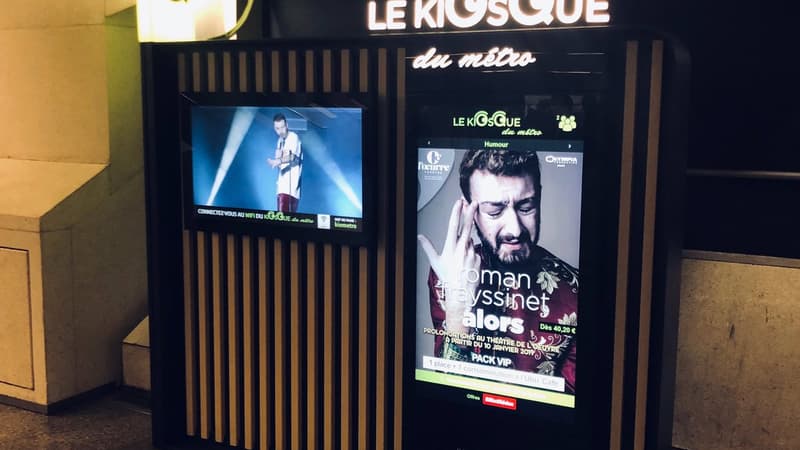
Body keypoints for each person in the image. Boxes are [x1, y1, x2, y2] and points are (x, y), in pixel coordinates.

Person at [418, 149, 578, 393]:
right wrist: (459, 309)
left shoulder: (576, 290)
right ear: (470, 211)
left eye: (526, 207)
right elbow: (447, 386)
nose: (514, 229)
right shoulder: (448, 273)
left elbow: (569, 400)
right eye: (494, 211)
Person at [267, 113, 302, 212]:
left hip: (290, 189)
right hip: (282, 188)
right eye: (277, 128)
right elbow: (279, 162)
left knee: (284, 219)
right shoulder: (279, 141)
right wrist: (276, 159)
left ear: (287, 125)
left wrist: (278, 160)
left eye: (282, 127)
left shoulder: (293, 137)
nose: (280, 131)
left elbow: (292, 156)